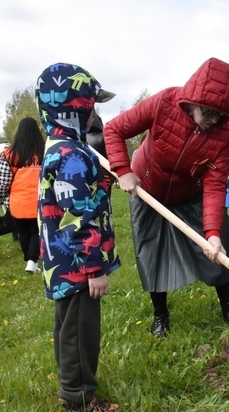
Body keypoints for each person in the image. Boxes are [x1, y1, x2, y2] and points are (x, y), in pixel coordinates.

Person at [103, 58, 229, 337]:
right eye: (208, 112)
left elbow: (215, 183)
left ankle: (228, 306)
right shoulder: (164, 102)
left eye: (219, 115)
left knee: (218, 249)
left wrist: (213, 232)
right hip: (147, 189)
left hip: (190, 190)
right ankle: (160, 316)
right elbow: (114, 129)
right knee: (151, 253)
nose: (212, 121)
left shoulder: (225, 132)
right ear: (193, 100)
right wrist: (123, 170)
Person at [36, 62, 120, 411]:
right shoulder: (71, 155)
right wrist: (94, 268)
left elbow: (83, 198)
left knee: (69, 328)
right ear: (74, 108)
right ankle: (79, 399)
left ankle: (73, 389)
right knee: (79, 334)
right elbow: (78, 217)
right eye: (91, 106)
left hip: (64, 261)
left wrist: (104, 179)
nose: (94, 114)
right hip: (76, 266)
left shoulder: (62, 147)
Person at [0, 117, 44, 273]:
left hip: (18, 202)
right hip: (40, 200)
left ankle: (30, 260)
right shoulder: (44, 151)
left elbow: (3, 181)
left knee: (23, 232)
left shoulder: (9, 154)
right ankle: (32, 261)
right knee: (36, 231)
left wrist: (4, 199)